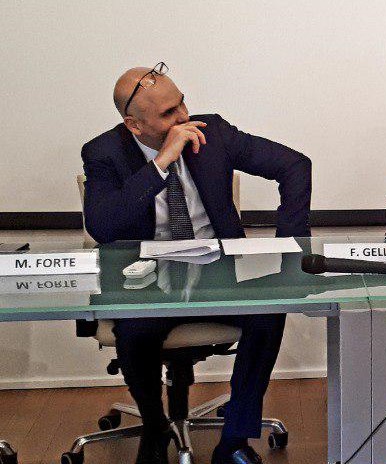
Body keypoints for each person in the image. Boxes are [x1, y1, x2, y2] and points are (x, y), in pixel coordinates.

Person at [82, 62, 311, 464]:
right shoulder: (104, 152)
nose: (184, 117)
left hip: (219, 272)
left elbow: (295, 165)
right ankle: (155, 427)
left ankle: (234, 439)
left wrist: (289, 246)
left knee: (269, 311)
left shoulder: (213, 133)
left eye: (182, 103)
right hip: (147, 281)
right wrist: (160, 164)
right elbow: (103, 226)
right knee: (134, 330)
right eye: (169, 113)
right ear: (135, 125)